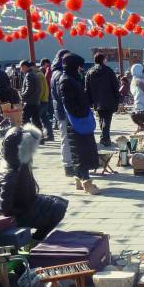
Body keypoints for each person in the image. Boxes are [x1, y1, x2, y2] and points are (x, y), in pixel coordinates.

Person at [0, 124, 68, 241]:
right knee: (57, 208)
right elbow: (5, 209)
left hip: (18, 204)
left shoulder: (16, 162)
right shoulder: (10, 173)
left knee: (59, 203)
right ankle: (35, 240)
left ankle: (35, 239)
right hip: (13, 213)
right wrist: (25, 210)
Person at [58, 53, 99, 194]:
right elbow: (69, 103)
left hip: (80, 119)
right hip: (76, 121)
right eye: (78, 66)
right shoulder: (66, 80)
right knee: (81, 152)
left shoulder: (72, 78)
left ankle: (78, 178)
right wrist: (82, 113)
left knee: (81, 150)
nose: (80, 69)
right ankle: (87, 182)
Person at [85, 53, 120, 147]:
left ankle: (104, 137)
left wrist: (89, 100)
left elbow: (87, 88)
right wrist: (117, 97)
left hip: (97, 100)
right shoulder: (109, 71)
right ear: (103, 60)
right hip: (109, 99)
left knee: (101, 118)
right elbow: (115, 86)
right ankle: (106, 138)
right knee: (107, 119)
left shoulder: (90, 72)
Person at [19, 61, 43, 139]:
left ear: (25, 66)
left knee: (24, 119)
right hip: (35, 101)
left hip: (29, 102)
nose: (20, 69)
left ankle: (28, 136)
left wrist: (23, 95)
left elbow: (29, 88)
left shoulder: (29, 75)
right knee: (36, 120)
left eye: (21, 67)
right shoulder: (33, 74)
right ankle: (39, 137)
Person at [36, 65, 54, 142]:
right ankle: (50, 135)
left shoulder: (38, 75)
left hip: (41, 101)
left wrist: (38, 100)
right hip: (45, 100)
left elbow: (40, 90)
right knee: (45, 119)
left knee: (37, 119)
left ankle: (40, 137)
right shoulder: (42, 75)